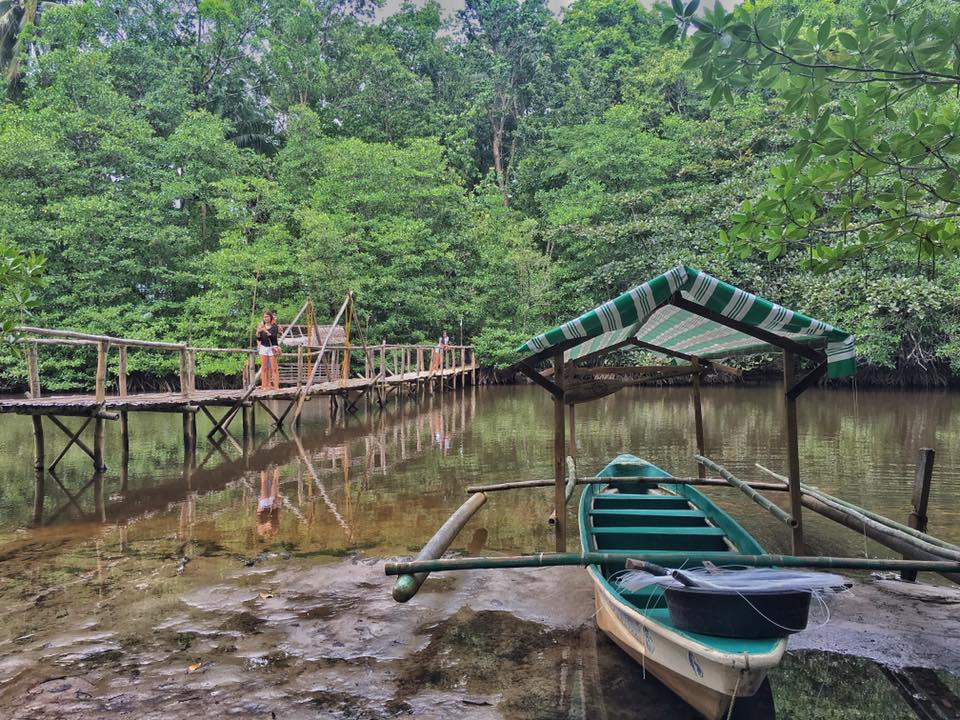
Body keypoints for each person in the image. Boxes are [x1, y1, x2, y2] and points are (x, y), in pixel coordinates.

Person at [256, 466, 281, 540]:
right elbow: (278, 516)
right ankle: (277, 464)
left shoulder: (261, 531)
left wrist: (259, 503)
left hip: (264, 506)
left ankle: (264, 464)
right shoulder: (275, 530)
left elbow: (259, 517)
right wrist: (277, 504)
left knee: (264, 482)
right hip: (273, 505)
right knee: (275, 482)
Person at [256, 312, 277, 390]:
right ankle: (264, 385)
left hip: (271, 348)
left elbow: (273, 337)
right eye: (265, 317)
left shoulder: (274, 326)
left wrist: (266, 331)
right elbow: (258, 338)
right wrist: (258, 332)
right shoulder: (261, 325)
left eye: (267, 317)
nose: (266, 318)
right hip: (262, 347)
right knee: (265, 368)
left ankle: (273, 385)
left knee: (272, 368)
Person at [267, 309, 282, 390]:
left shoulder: (276, 326)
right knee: (268, 367)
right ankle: (269, 385)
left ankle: (276, 385)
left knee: (274, 367)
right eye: (274, 316)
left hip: (273, 348)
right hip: (267, 348)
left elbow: (278, 336)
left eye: (275, 316)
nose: (275, 317)